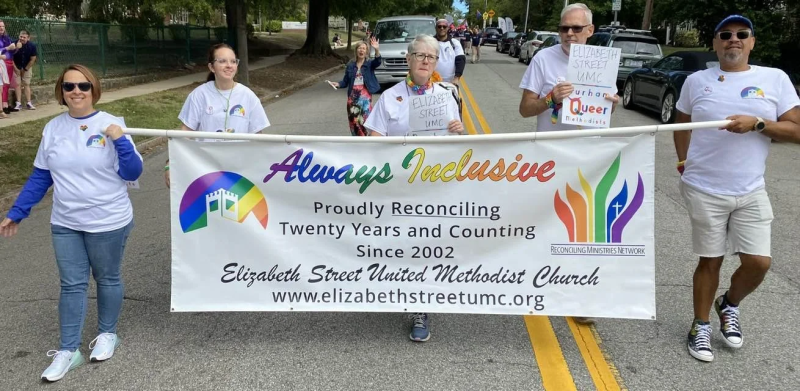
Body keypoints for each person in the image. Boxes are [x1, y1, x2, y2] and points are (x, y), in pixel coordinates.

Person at [0, 64, 143, 381]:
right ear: (61, 91)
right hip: (65, 221)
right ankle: (68, 350)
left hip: (108, 219)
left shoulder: (112, 123)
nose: (76, 91)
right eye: (69, 86)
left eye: (83, 86)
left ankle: (108, 333)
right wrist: (18, 211)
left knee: (107, 278)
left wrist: (120, 141)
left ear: (94, 89)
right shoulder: (53, 128)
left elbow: (132, 172)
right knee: (71, 284)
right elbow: (41, 175)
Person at [674, 14, 800, 362]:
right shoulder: (696, 81)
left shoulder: (774, 79)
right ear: (715, 43)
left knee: (759, 262)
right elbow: (681, 123)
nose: (734, 39)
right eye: (725, 35)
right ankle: (700, 326)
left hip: (750, 189)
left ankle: (728, 304)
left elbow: (796, 130)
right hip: (703, 186)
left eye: (742, 34)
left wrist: (757, 123)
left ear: (752, 42)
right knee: (710, 259)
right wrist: (682, 162)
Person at [518, 3, 619, 325]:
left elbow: (603, 112)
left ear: (591, 31)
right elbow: (525, 109)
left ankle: (582, 298)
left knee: (584, 230)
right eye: (564, 28)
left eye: (577, 28)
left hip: (589, 158)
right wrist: (550, 99)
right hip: (550, 158)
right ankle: (541, 286)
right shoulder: (543, 59)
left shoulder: (602, 62)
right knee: (548, 226)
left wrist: (611, 105)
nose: (570, 34)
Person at [364, 35, 464, 342]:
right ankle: (390, 289)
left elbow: (460, 149)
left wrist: (459, 132)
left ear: (436, 63)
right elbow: (372, 141)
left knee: (424, 249)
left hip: (434, 189)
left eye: (431, 57)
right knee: (398, 248)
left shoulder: (446, 96)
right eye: (419, 55)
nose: (425, 61)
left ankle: (420, 307)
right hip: (397, 187)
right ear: (408, 59)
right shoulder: (390, 97)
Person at [165, 43, 270, 187]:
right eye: (222, 61)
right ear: (211, 67)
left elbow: (258, 137)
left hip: (240, 173)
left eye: (233, 61)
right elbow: (185, 133)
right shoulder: (199, 95)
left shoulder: (248, 96)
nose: (229, 65)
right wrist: (171, 164)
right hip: (205, 171)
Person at [327, 37, 381, 136]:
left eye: (364, 48)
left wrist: (377, 49)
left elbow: (378, 62)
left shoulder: (369, 64)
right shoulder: (351, 66)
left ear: (367, 52)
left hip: (365, 98)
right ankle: (358, 142)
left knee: (366, 121)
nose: (361, 50)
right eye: (359, 48)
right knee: (354, 122)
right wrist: (338, 84)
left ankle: (367, 141)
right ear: (356, 51)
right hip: (353, 98)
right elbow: (345, 81)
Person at [434, 19, 466, 85]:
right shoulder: (430, 42)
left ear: (448, 28)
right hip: (432, 81)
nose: (442, 28)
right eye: (439, 26)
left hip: (450, 82)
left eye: (444, 26)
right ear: (436, 28)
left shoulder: (455, 43)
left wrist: (456, 78)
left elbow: (460, 60)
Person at [12, 29, 37, 110]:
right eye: (21, 36)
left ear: (28, 38)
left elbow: (33, 59)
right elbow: (10, 57)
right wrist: (16, 69)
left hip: (27, 66)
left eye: (24, 37)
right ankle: (18, 103)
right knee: (17, 84)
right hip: (16, 65)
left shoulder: (32, 46)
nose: (22, 38)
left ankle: (29, 103)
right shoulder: (14, 43)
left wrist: (25, 69)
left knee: (26, 83)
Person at [0, 20, 17, 115]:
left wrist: (16, 48)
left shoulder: (6, 38)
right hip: (2, 63)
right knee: (2, 86)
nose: (1, 28)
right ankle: (2, 106)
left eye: (2, 26)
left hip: (9, 63)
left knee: (7, 84)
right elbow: (4, 50)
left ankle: (5, 104)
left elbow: (12, 52)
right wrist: (7, 48)